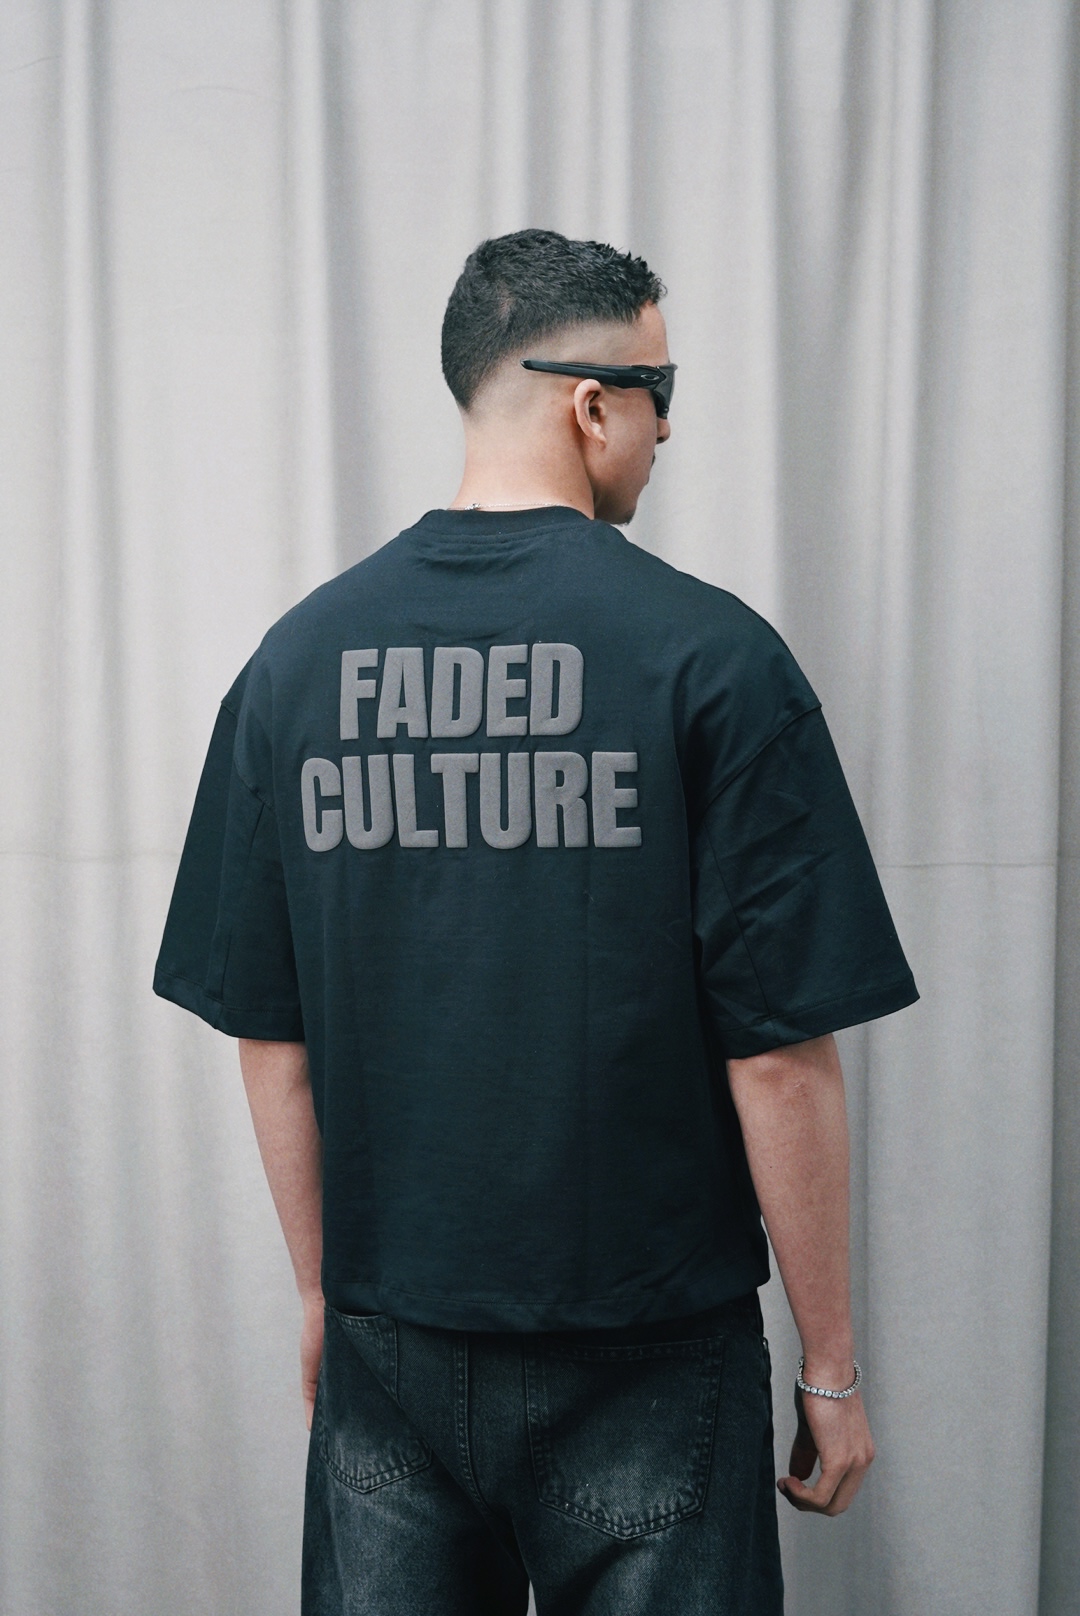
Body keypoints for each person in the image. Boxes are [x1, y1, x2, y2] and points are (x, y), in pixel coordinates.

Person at [154, 228, 919, 1615]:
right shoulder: (714, 658)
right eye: (658, 392)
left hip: (389, 1334)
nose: (667, 428)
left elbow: (272, 1039)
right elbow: (777, 1056)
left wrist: (325, 1302)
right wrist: (832, 1365)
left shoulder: (294, 664)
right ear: (589, 404)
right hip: (646, 1338)